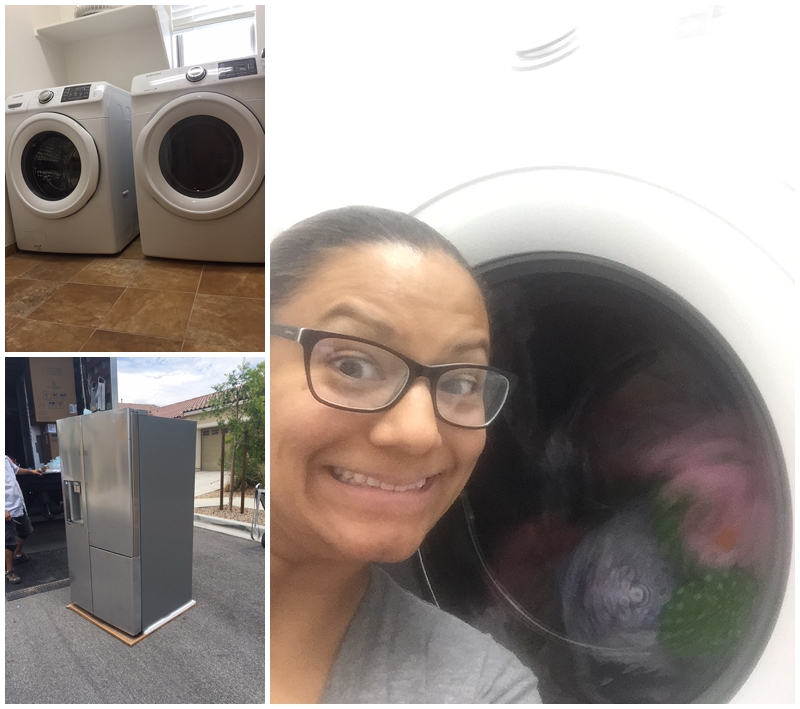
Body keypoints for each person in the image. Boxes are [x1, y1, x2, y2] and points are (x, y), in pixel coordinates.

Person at [270, 205, 541, 703]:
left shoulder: (482, 690)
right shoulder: (173, 597)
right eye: (353, 364)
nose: (420, 434)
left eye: (462, 381)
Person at [5, 455, 43, 584]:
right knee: (9, 542)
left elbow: (16, 470)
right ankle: (9, 571)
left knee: (25, 531)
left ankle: (18, 554)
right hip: (6, 510)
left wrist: (31, 471)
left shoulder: (4, 458)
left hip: (18, 505)